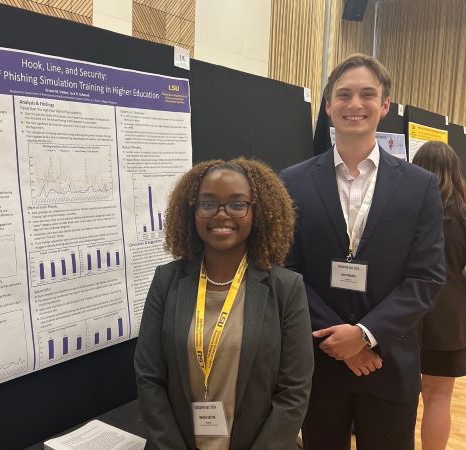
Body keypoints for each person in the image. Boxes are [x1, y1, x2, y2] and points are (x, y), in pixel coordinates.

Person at [280, 54, 445, 450]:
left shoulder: (419, 186)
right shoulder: (293, 181)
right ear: (328, 106)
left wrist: (365, 336)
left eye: (367, 95)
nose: (355, 105)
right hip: (320, 366)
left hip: (387, 364)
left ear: (384, 105)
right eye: (344, 94)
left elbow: (426, 277)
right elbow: (286, 270)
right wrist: (340, 342)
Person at [135, 158, 314, 450]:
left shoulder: (285, 288)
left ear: (257, 212)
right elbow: (149, 377)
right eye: (208, 204)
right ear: (192, 211)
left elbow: (294, 392)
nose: (221, 215)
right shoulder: (167, 281)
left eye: (237, 204)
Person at [412, 141, 466, 450]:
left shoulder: (407, 209)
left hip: (405, 313)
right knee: (439, 397)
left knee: (402, 398)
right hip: (450, 319)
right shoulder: (463, 212)